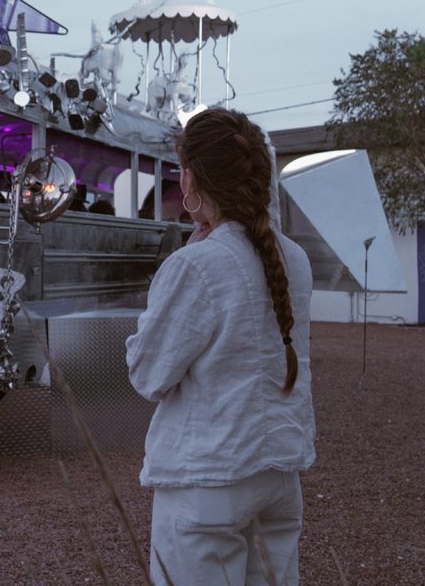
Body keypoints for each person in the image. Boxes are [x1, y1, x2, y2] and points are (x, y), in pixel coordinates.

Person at [125, 108, 314, 586]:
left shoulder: (198, 265)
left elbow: (148, 375)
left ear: (192, 180)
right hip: (278, 474)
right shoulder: (295, 258)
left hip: (208, 477)